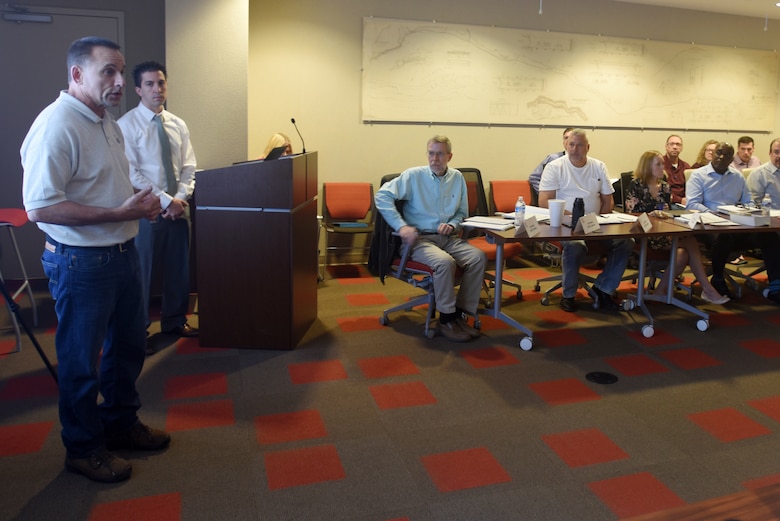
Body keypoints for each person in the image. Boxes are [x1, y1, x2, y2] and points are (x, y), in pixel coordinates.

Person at [20, 37, 170, 483]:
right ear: (77, 75)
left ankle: (120, 424)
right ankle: (84, 449)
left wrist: (140, 203)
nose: (120, 81)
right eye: (108, 71)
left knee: (126, 350)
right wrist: (119, 213)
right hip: (81, 263)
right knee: (81, 362)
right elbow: (41, 209)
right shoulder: (57, 125)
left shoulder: (105, 121)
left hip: (123, 252)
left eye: (121, 72)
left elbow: (105, 184)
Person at [118, 61, 198, 351]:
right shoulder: (126, 126)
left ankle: (175, 321)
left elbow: (189, 166)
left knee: (179, 269)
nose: (157, 89)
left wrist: (180, 199)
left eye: (161, 83)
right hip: (147, 211)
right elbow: (132, 173)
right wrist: (166, 200)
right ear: (138, 89)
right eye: (150, 84)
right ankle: (137, 332)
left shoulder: (178, 124)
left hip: (177, 210)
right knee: (142, 274)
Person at [374, 135, 487, 342]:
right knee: (444, 263)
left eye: (440, 154)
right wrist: (402, 226)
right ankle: (446, 320)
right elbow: (381, 196)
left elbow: (461, 213)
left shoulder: (457, 178)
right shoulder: (413, 176)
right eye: (431, 153)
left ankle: (460, 313)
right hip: (420, 240)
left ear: (449, 156)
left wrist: (452, 223)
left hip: (448, 237)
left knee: (478, 257)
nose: (435, 158)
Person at [538, 128, 634, 312]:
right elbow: (544, 201)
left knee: (626, 241)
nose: (574, 149)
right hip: (566, 225)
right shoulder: (555, 167)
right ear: (565, 145)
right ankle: (569, 294)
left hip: (596, 223)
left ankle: (603, 288)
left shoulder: (598, 166)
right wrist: (573, 218)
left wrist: (600, 220)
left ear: (587, 148)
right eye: (571, 144)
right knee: (576, 245)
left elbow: (608, 200)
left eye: (579, 145)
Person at [625, 151, 728, 304]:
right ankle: (707, 288)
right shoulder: (636, 185)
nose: (662, 168)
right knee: (690, 242)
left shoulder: (665, 187)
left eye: (662, 164)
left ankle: (661, 291)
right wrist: (651, 215)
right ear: (647, 167)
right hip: (644, 233)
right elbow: (631, 215)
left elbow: (667, 211)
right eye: (658, 164)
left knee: (683, 253)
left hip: (664, 231)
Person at [686, 142, 780, 303]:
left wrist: (745, 211)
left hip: (737, 224)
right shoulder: (698, 175)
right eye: (718, 153)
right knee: (724, 237)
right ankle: (717, 279)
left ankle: (775, 287)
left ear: (731, 158)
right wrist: (715, 214)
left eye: (726, 155)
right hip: (709, 227)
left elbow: (748, 202)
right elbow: (692, 204)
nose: (721, 157)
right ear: (713, 153)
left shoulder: (737, 177)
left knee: (770, 236)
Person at [527, 127, 574, 204]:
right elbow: (534, 177)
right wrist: (545, 193)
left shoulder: (584, 162)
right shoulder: (553, 159)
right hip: (556, 203)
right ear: (563, 143)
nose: (568, 140)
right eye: (566, 138)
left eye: (571, 138)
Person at [662, 134, 690, 207]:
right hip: (667, 203)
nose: (675, 147)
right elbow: (660, 190)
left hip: (685, 203)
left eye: (678, 144)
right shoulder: (659, 165)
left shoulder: (686, 167)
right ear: (666, 147)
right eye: (671, 144)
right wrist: (679, 200)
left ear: (681, 148)